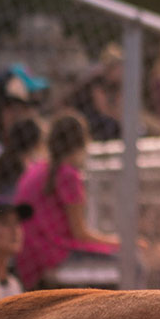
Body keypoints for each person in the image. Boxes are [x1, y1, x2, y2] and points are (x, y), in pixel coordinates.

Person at [12, 114, 117, 288]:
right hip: (51, 255)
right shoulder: (68, 174)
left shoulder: (36, 168)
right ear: (83, 142)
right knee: (133, 263)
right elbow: (80, 234)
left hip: (29, 256)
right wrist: (119, 242)